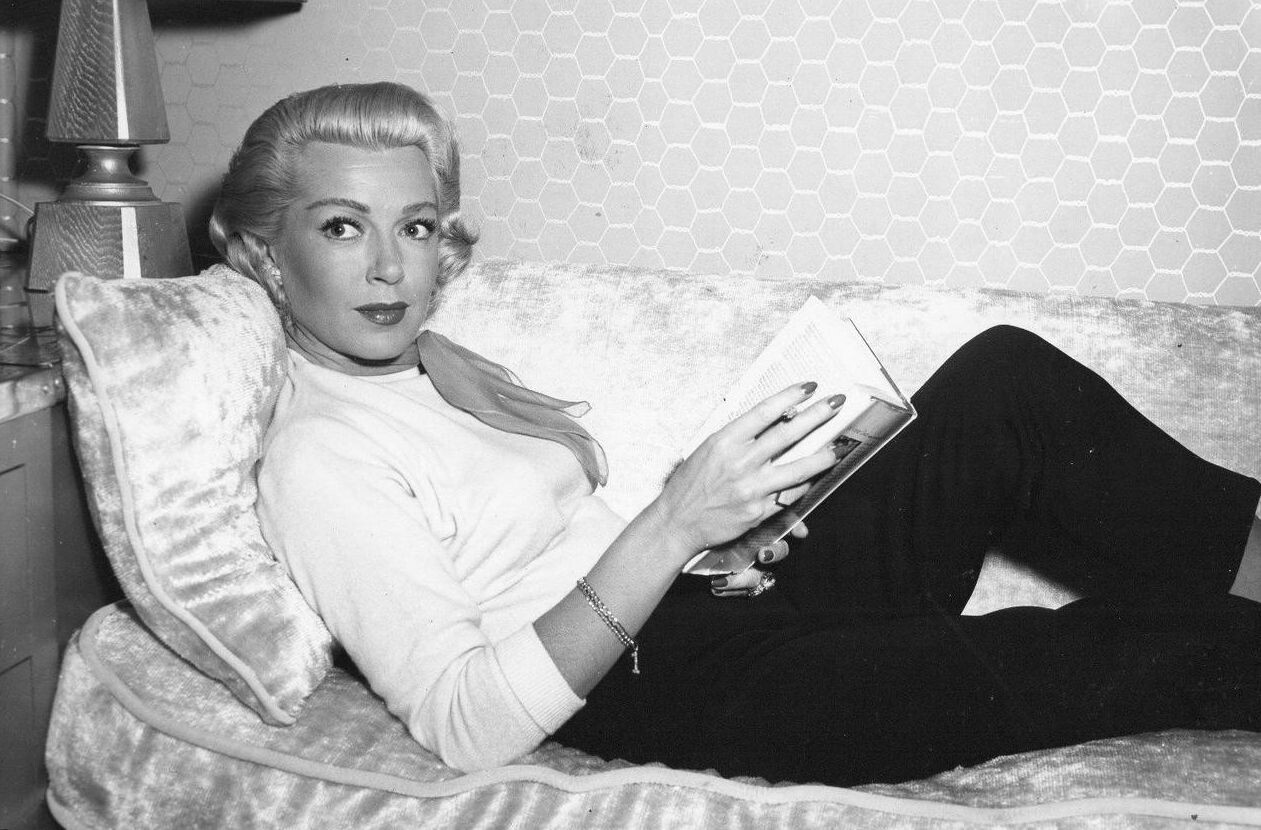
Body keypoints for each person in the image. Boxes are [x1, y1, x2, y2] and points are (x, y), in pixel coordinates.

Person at [210, 81, 1261, 788]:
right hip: (678, 695)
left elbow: (564, 556)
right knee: (1124, 649)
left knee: (1006, 384)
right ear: (263, 253)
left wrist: (722, 548)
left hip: (710, 611)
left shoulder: (431, 369)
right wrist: (673, 523)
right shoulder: (319, 458)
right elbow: (464, 721)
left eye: (414, 226)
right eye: (341, 226)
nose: (388, 266)